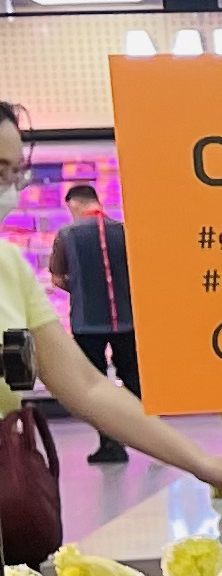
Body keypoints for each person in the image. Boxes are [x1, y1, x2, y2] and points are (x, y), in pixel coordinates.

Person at [0, 107, 222, 502]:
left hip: (89, 326)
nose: (10, 187)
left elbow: (87, 387)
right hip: (119, 320)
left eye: (14, 171)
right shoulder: (115, 232)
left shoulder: (8, 266)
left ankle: (111, 445)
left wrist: (201, 462)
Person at [41, 182, 132, 466]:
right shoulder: (125, 231)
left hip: (86, 321)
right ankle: (140, 432)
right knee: (132, 378)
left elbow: (57, 278)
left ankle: (110, 442)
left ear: (75, 205)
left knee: (94, 384)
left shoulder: (67, 235)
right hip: (128, 321)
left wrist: (78, 288)